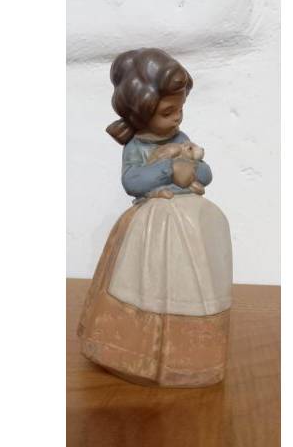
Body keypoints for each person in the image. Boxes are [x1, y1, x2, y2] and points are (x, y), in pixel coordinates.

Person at [77, 48, 233, 388]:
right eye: (167, 112)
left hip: (191, 217)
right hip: (154, 220)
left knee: (203, 244)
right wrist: (168, 169)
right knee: (147, 274)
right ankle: (140, 349)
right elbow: (132, 181)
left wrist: (191, 168)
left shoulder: (182, 139)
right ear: (142, 112)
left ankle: (189, 346)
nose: (177, 119)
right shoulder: (136, 146)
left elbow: (205, 174)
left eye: (180, 110)